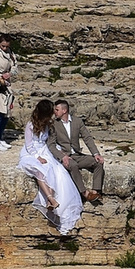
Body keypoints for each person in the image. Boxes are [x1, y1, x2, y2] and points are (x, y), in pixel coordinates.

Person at [18, 99, 82, 235]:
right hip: (32, 153)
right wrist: (37, 157)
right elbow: (29, 145)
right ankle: (50, 198)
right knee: (39, 171)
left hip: (45, 150)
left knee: (56, 171)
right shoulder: (30, 125)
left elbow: (50, 142)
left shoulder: (49, 125)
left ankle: (50, 200)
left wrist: (59, 151)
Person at [49, 99, 105, 205]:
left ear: (64, 110)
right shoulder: (54, 125)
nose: (54, 112)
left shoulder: (77, 122)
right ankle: (85, 193)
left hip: (77, 155)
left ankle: (95, 191)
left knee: (98, 163)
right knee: (73, 165)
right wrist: (62, 157)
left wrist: (96, 154)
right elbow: (51, 145)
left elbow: (87, 138)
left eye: (57, 109)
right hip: (65, 156)